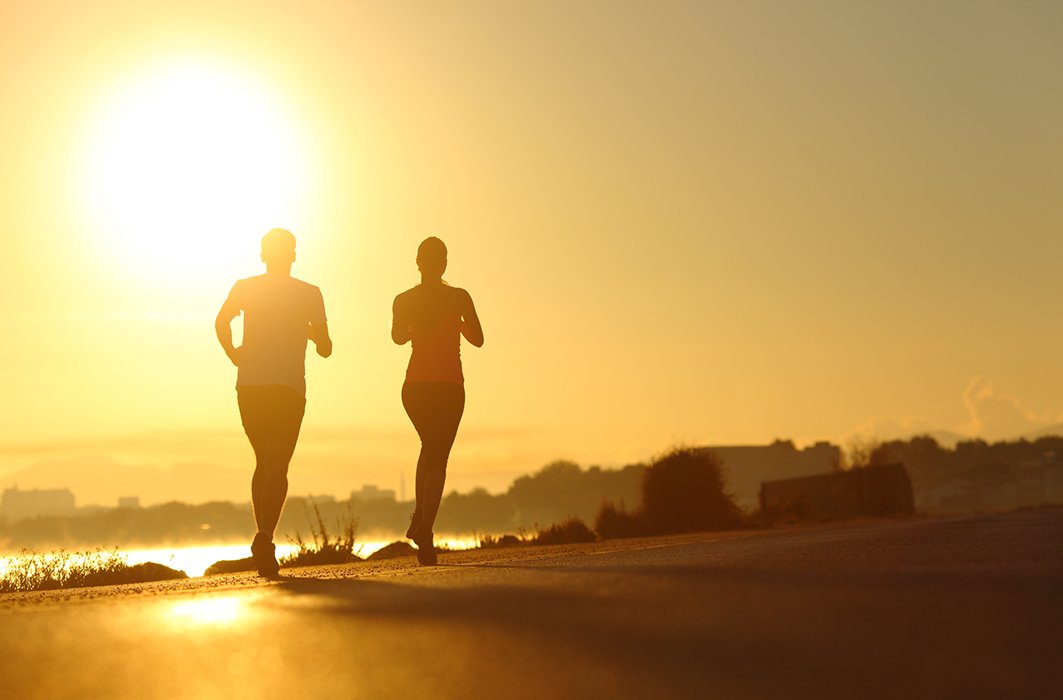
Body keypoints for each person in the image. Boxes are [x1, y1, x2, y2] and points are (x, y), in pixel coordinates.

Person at [215, 228, 332, 576]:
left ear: (263, 255)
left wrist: (233, 353)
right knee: (276, 465)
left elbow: (221, 321)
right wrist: (311, 332)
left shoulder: (245, 287)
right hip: (287, 388)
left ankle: (262, 538)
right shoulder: (310, 293)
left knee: (262, 461)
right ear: (293, 255)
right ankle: (264, 537)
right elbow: (325, 348)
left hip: (249, 385)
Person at [392, 237, 483, 565]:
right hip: (447, 386)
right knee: (437, 455)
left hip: (415, 387)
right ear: (444, 263)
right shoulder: (458, 297)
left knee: (429, 448)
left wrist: (418, 324)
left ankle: (420, 518)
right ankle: (426, 531)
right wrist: (454, 319)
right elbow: (478, 339)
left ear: (418, 262)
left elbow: (397, 337)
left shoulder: (404, 299)